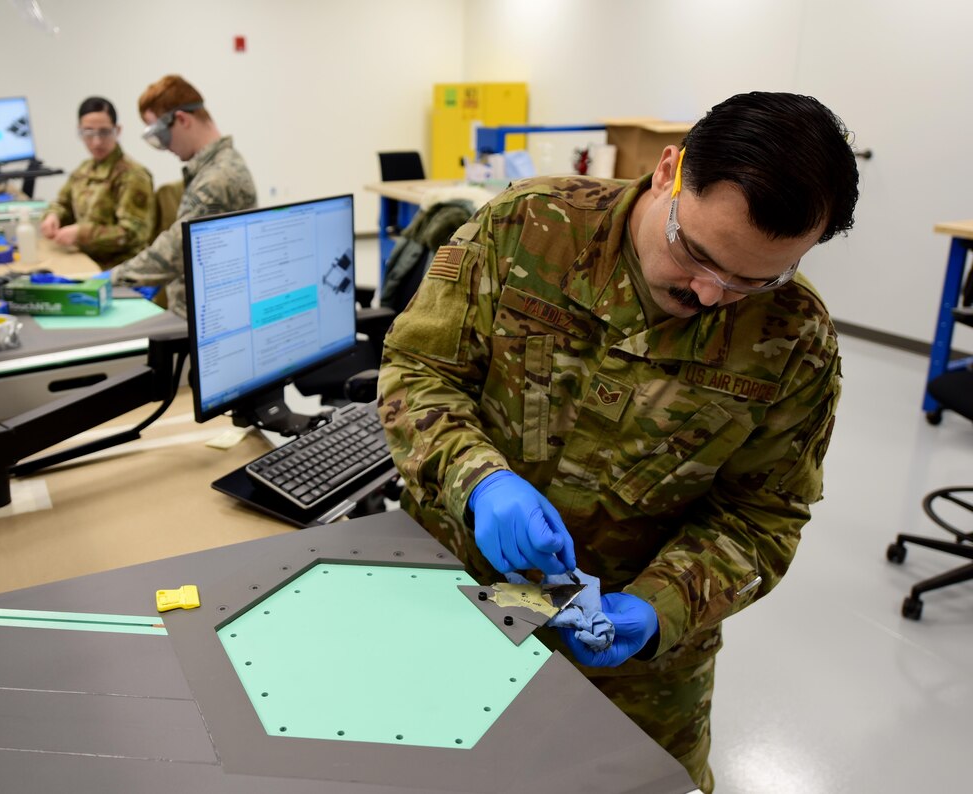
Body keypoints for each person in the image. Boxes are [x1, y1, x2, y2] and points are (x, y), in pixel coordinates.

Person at [377, 91, 859, 793]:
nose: (709, 293)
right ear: (669, 171)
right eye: (695, 252)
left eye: (754, 280)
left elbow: (762, 520)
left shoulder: (796, 342)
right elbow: (418, 371)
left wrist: (660, 607)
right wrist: (478, 478)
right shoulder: (527, 228)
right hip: (458, 594)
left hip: (637, 671)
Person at [105, 75, 257, 317]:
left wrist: (106, 280)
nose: (165, 147)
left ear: (182, 120)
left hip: (204, 322)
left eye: (161, 136)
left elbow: (174, 251)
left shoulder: (216, 178)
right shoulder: (221, 164)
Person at [40, 96, 155, 269]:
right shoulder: (84, 170)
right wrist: (53, 216)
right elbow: (63, 204)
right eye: (88, 133)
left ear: (118, 130)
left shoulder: (133, 175)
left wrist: (81, 234)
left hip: (121, 269)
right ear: (79, 131)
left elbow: (133, 233)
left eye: (104, 132)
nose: (96, 141)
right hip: (85, 261)